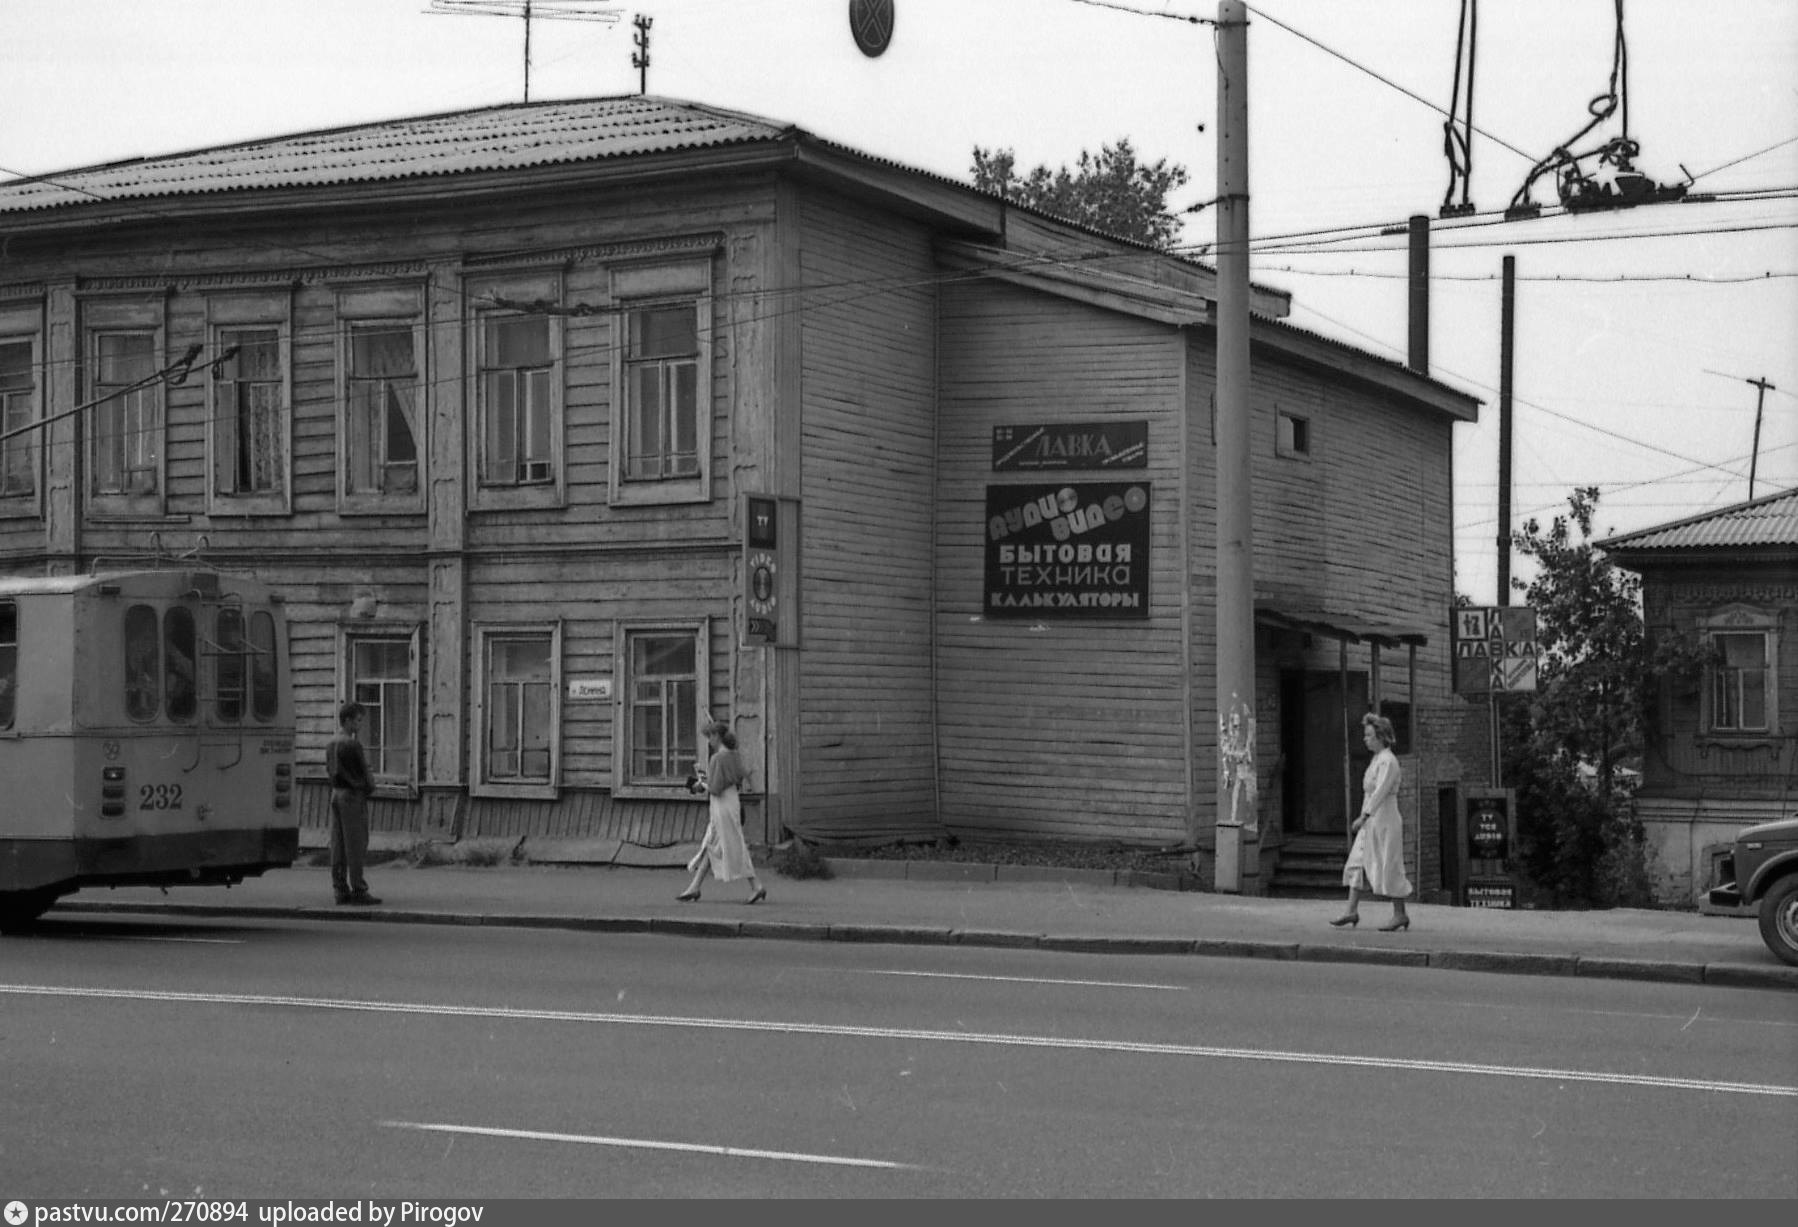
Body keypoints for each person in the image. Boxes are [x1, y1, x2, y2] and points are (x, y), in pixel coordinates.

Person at [1331, 712, 1412, 932]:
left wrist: (1364, 816)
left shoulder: (1388, 761)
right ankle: (1351, 910)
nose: (1365, 739)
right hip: (1372, 821)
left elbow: (1380, 792)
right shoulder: (1376, 760)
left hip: (1385, 819)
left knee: (1390, 863)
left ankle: (1400, 913)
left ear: (1381, 737)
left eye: (1369, 735)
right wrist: (1366, 817)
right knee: (1357, 861)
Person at [677, 717, 766, 905]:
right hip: (732, 801)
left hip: (721, 805)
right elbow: (739, 776)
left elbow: (715, 788)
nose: (709, 740)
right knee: (714, 843)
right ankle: (694, 887)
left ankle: (756, 885)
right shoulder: (734, 754)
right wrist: (706, 781)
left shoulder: (717, 758)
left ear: (717, 736)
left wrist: (700, 784)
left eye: (710, 736)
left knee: (733, 844)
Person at [326, 700, 380, 906]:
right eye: (358, 720)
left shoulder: (331, 742)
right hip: (352, 796)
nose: (360, 725)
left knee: (338, 843)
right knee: (356, 843)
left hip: (336, 793)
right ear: (347, 720)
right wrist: (370, 787)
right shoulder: (352, 744)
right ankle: (359, 889)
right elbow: (365, 774)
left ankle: (340, 888)